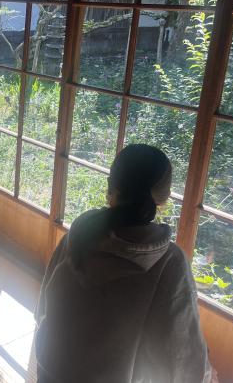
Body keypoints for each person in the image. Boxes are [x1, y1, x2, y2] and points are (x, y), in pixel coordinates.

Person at [35, 144, 214, 383]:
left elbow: (42, 311)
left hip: (49, 372)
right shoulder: (169, 262)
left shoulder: (80, 235)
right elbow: (184, 361)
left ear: (111, 186)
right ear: (164, 198)